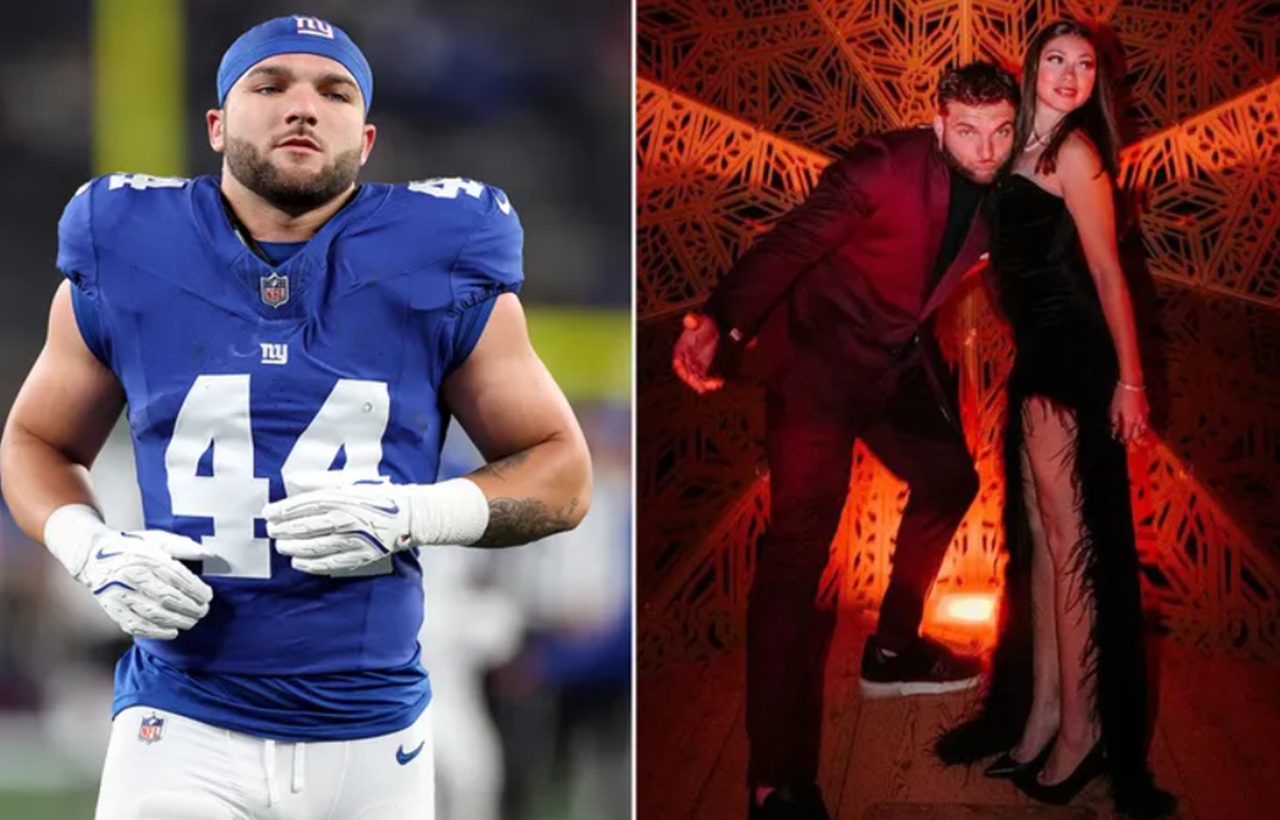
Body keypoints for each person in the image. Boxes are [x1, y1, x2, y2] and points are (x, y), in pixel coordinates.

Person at [0, 14, 592, 820]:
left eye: (334, 91)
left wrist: (412, 512)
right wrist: (89, 546)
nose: (303, 107)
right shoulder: (127, 243)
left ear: (368, 136)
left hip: (375, 733)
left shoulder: (442, 252)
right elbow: (36, 438)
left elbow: (562, 472)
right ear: (216, 125)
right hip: (181, 721)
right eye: (270, 85)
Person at [672, 62, 1019, 820]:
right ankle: (776, 780)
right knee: (798, 558)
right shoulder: (885, 166)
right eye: (967, 130)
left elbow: (998, 268)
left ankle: (893, 649)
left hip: (896, 370)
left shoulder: (1007, 189)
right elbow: (793, 242)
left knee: (952, 481)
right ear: (939, 126)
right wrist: (720, 321)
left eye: (999, 132)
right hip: (818, 374)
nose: (986, 148)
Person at [934, 20, 1176, 818]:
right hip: (1038, 358)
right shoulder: (1010, 146)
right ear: (1031, 65)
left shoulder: (1076, 154)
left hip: (1077, 365)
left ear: (1096, 80)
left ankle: (1084, 732)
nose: (1071, 75)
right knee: (1040, 544)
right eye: (1057, 60)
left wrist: (1132, 385)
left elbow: (1109, 276)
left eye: (1085, 65)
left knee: (1073, 552)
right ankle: (1040, 716)